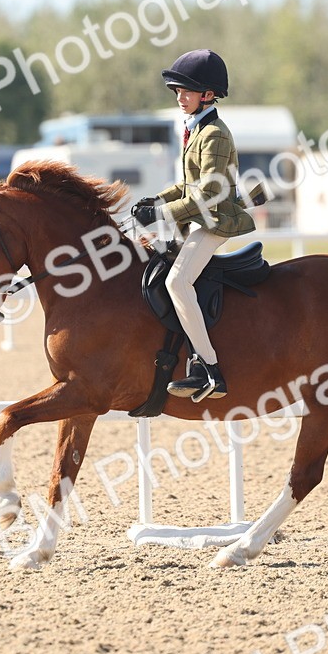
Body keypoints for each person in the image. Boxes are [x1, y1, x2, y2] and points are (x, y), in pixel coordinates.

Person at [130, 49, 260, 401]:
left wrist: (163, 214)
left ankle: (210, 369)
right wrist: (156, 200)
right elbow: (186, 186)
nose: (179, 97)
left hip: (215, 221)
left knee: (177, 280)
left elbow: (211, 193)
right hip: (198, 217)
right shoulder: (197, 129)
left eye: (186, 91)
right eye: (176, 91)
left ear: (208, 94)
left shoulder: (214, 133)